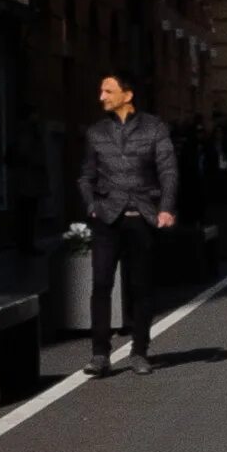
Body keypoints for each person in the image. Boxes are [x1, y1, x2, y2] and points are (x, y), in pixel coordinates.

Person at [76, 71, 178, 377]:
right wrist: (92, 205)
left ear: (127, 95)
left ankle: (139, 352)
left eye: (108, 91)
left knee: (141, 287)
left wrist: (166, 208)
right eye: (101, 91)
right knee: (101, 284)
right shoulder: (96, 132)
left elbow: (168, 171)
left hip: (142, 219)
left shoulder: (154, 128)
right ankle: (99, 354)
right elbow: (86, 176)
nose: (102, 97)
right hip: (107, 219)